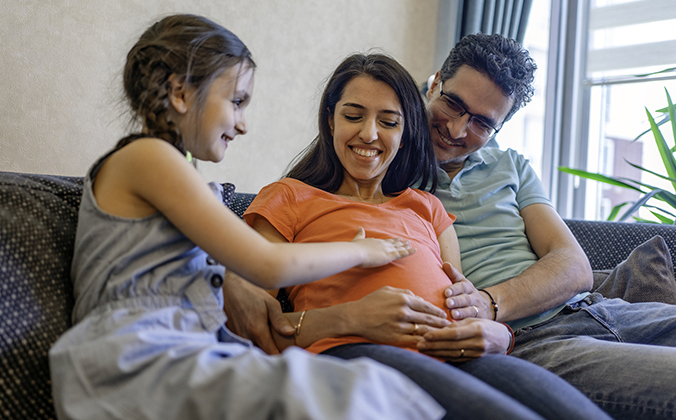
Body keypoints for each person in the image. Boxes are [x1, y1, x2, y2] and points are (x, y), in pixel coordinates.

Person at [225, 33, 676, 420]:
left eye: (482, 122)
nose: (459, 130)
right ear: (434, 84)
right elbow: (252, 305)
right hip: (496, 344)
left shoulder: (436, 198)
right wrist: (345, 315)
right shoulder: (305, 192)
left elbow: (558, 268)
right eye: (453, 105)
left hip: (549, 324)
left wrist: (492, 318)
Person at [47, 14, 452, 420]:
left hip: (190, 346)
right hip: (137, 356)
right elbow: (268, 264)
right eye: (237, 101)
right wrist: (361, 251)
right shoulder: (148, 158)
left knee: (359, 386)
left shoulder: (175, 170)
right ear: (180, 94)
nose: (243, 124)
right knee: (348, 390)